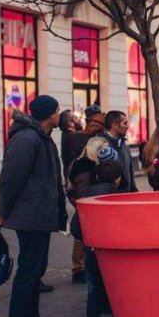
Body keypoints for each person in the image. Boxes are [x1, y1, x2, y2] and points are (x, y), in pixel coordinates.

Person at [0, 95, 67, 317]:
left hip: (40, 215)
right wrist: (3, 211)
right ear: (49, 115)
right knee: (28, 271)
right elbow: (10, 178)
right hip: (30, 215)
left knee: (36, 270)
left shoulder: (42, 138)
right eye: (58, 111)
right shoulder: (27, 139)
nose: (60, 115)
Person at [79, 158, 125, 317]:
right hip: (111, 253)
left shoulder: (87, 195)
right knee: (117, 293)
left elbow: (75, 226)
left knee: (93, 295)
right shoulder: (117, 197)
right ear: (117, 179)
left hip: (91, 251)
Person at [59, 109, 90, 284]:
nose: (80, 119)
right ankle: (79, 267)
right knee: (82, 226)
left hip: (73, 185)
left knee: (81, 224)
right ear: (70, 123)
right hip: (78, 186)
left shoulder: (67, 137)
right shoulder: (75, 138)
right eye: (76, 118)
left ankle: (79, 265)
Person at [91, 110, 137, 192]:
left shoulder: (125, 146)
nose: (128, 126)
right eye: (125, 123)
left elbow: (130, 173)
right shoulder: (100, 146)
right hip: (111, 198)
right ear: (115, 126)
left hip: (127, 197)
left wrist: (134, 191)